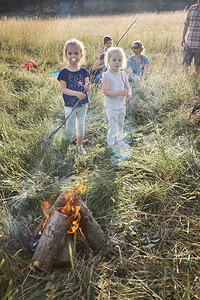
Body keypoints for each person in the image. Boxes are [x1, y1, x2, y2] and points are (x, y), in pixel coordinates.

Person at [57, 39, 91, 155]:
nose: (73, 56)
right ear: (66, 55)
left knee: (80, 125)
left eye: (76, 53)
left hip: (82, 104)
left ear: (81, 55)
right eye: (70, 53)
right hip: (70, 105)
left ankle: (79, 146)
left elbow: (87, 87)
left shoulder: (84, 71)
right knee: (69, 127)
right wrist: (76, 93)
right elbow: (64, 89)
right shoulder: (63, 73)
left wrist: (87, 88)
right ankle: (66, 147)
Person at [102, 47, 132, 149]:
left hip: (121, 105)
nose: (117, 63)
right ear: (108, 61)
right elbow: (106, 92)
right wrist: (119, 92)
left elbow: (127, 86)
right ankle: (110, 144)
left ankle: (119, 141)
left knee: (120, 124)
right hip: (111, 107)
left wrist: (129, 94)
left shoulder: (123, 74)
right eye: (114, 60)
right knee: (113, 126)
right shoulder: (106, 75)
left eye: (120, 60)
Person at [181, 0, 200, 75]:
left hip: (199, 46)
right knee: (185, 64)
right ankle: (185, 81)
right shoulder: (192, 8)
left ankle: (195, 82)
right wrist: (183, 38)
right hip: (189, 43)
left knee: (198, 67)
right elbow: (186, 24)